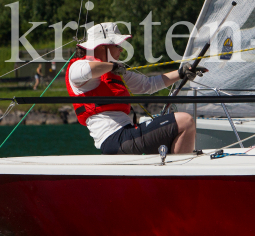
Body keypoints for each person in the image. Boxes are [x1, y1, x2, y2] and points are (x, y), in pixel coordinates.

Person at [66, 22, 206, 155]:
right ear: (103, 47)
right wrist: (112, 66)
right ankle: (179, 176)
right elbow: (86, 71)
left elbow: (148, 85)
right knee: (185, 122)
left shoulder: (114, 71)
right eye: (117, 45)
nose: (121, 49)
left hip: (125, 135)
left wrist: (181, 73)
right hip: (115, 138)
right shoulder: (77, 67)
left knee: (180, 125)